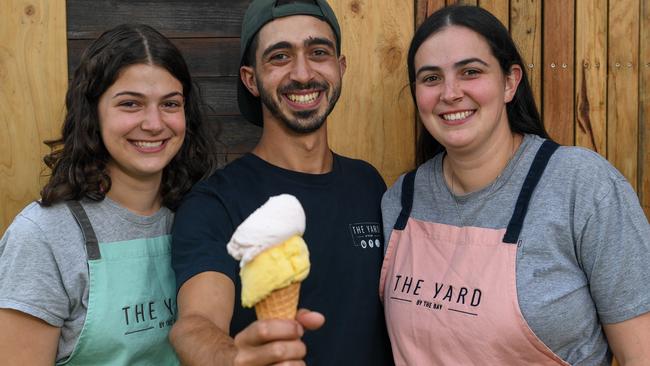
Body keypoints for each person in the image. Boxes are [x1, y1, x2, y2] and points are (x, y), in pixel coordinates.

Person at [380, 5, 650, 366]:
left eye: (470, 72)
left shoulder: (582, 187)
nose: (450, 92)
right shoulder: (400, 200)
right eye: (431, 78)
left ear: (510, 82)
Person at [169, 0, 394, 365]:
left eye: (318, 52)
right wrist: (233, 358)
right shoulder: (214, 202)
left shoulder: (368, 183)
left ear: (340, 67)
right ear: (250, 79)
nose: (303, 73)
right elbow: (195, 325)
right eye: (279, 57)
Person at [0, 24, 218, 365]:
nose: (153, 123)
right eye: (130, 104)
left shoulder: (203, 217)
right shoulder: (43, 237)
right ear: (92, 113)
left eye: (170, 104)